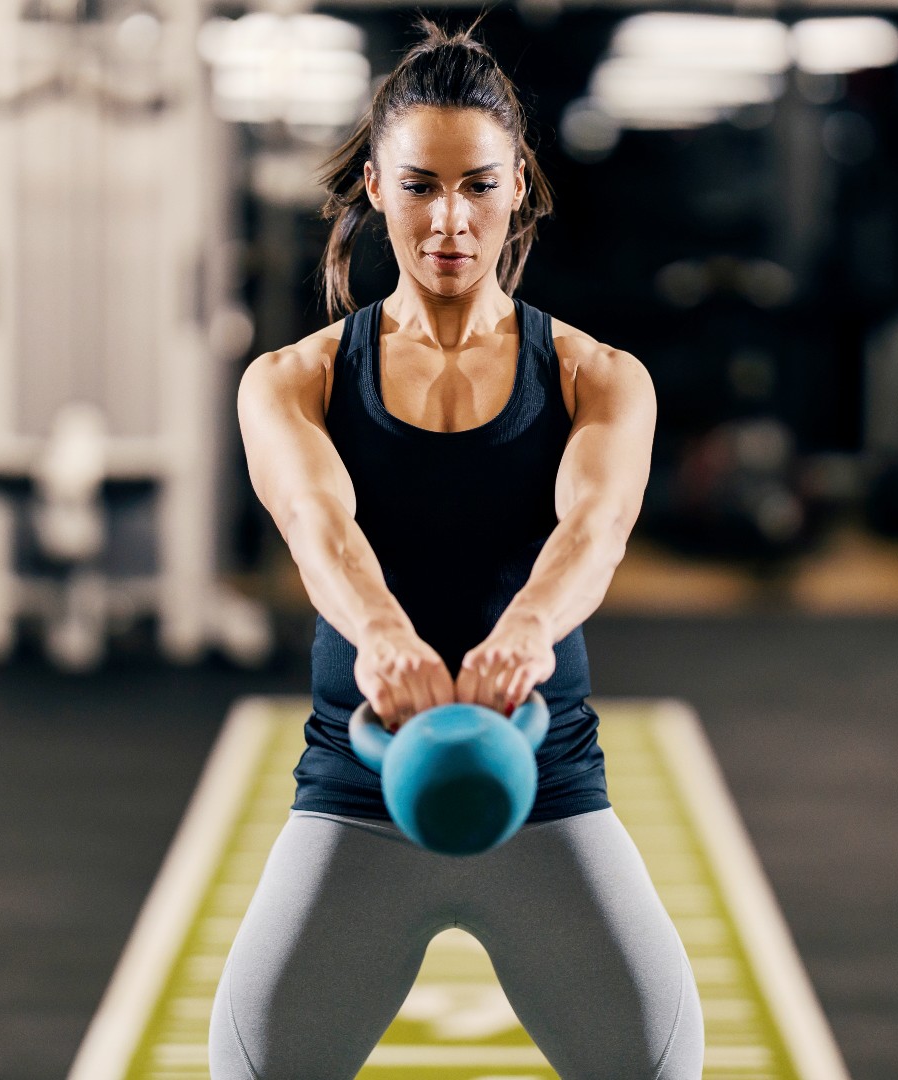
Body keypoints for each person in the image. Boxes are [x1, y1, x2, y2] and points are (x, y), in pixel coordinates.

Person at [210, 18, 705, 1080]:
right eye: (421, 185)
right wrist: (384, 636)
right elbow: (318, 526)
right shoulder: (289, 382)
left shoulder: (598, 378)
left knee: (664, 1066)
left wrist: (525, 629)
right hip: (358, 790)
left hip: (546, 782)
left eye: (478, 185)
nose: (450, 219)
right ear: (377, 190)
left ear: (518, 184)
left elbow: (596, 528)